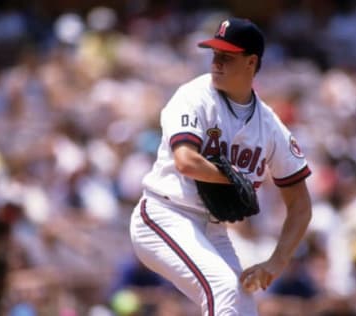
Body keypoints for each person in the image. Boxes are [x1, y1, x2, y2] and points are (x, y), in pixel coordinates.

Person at [129, 17, 313, 316]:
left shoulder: (270, 126)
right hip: (165, 216)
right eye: (215, 55)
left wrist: (276, 261)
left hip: (213, 229)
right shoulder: (195, 96)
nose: (216, 63)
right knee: (223, 288)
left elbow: (301, 204)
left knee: (243, 306)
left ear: (251, 62)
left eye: (226, 57)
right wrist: (232, 178)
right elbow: (186, 161)